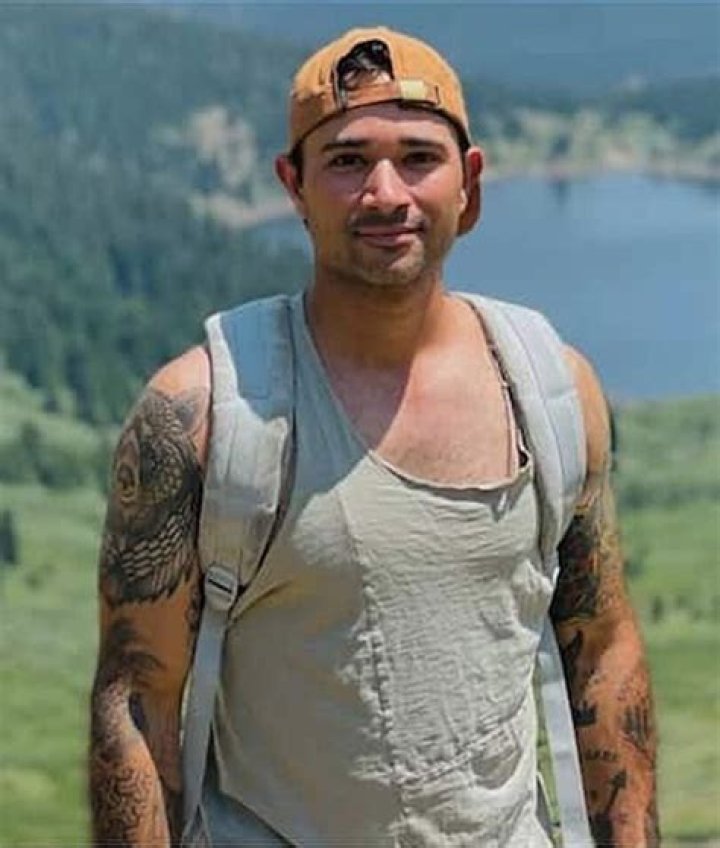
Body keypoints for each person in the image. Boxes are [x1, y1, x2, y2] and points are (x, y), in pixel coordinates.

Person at [88, 26, 659, 847]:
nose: (385, 193)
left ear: (470, 185)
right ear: (294, 186)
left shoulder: (552, 391)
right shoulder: (205, 413)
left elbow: (601, 650)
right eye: (348, 161)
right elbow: (136, 702)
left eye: (418, 158)